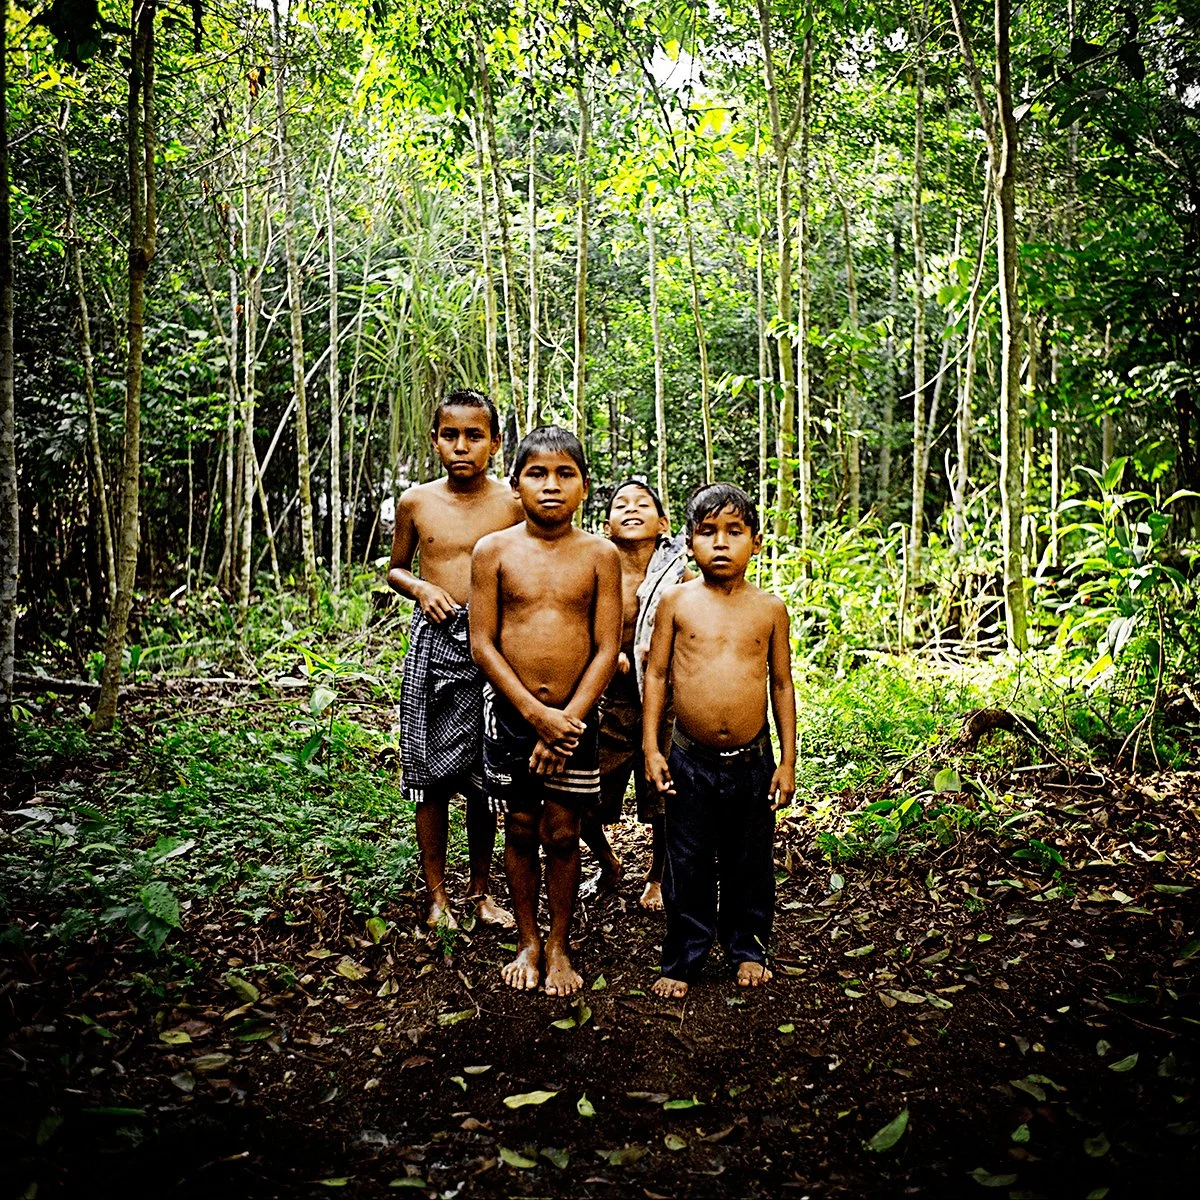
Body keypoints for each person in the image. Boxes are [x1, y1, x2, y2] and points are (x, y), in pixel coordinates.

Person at [470, 426, 622, 996]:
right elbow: (483, 643)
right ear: (516, 485)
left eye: (565, 474)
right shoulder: (493, 552)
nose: (551, 485)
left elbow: (607, 647)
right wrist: (536, 716)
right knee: (519, 826)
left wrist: (567, 722)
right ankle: (527, 940)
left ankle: (559, 943)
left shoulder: (601, 555)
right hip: (513, 717)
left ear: (585, 486)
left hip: (575, 720)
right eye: (537, 473)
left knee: (562, 831)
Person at [642, 483, 796, 998]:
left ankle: (747, 947)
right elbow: (657, 675)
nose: (721, 543)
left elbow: (781, 684)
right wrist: (651, 749)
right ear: (690, 542)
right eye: (708, 532)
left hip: (753, 760)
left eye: (735, 531)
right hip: (690, 758)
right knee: (686, 860)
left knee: (749, 860)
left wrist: (788, 761)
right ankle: (685, 956)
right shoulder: (676, 602)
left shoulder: (770, 609)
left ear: (756, 541)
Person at [388, 388, 522, 931]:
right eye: (450, 435)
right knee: (431, 776)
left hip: (497, 645)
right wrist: (420, 587)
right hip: (435, 643)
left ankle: (480, 892)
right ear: (435, 440)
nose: (461, 446)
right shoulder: (416, 503)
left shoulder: (513, 503)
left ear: (495, 442)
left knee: (486, 777)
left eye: (474, 436)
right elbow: (396, 567)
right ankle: (438, 895)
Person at [580, 480, 687, 910]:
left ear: (663, 523)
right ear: (606, 525)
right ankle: (608, 862)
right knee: (583, 796)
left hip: (664, 700)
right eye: (620, 504)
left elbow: (699, 620)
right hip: (607, 700)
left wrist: (662, 651)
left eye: (643, 504)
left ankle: (657, 876)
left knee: (665, 796)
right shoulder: (592, 569)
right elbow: (573, 623)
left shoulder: (678, 575)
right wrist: (605, 656)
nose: (631, 509)